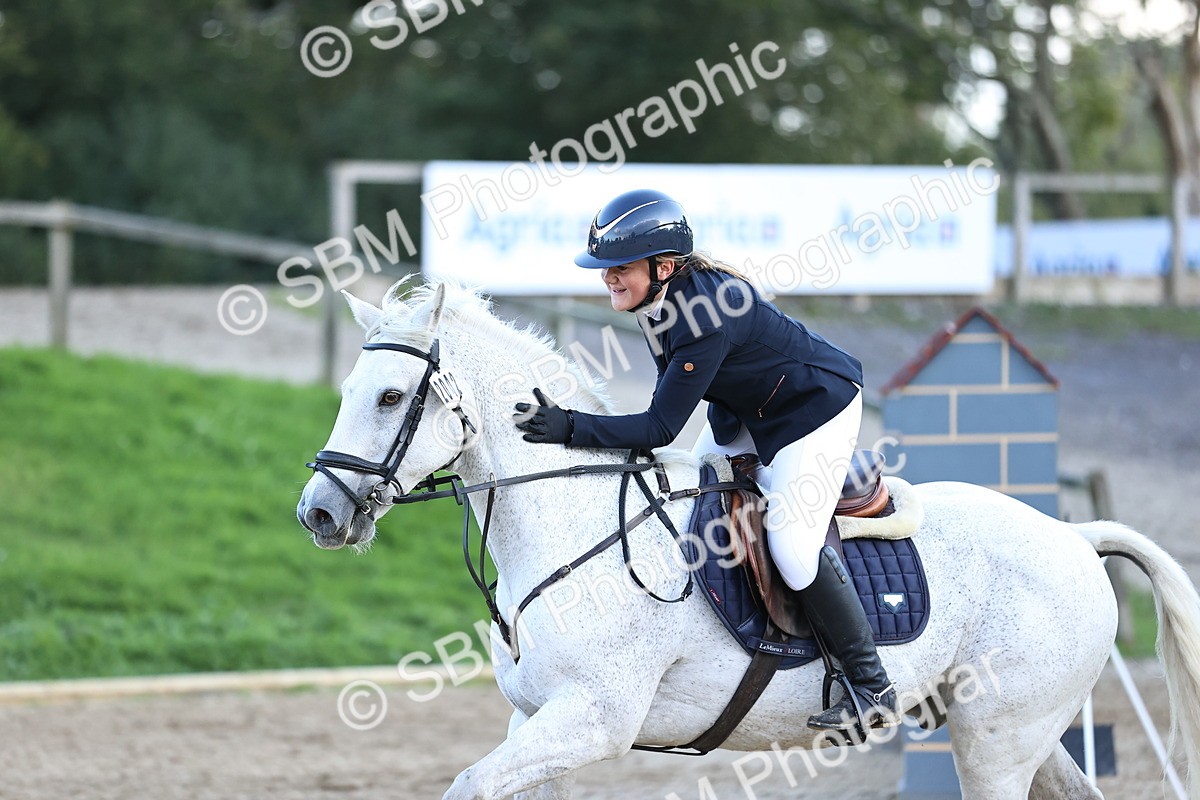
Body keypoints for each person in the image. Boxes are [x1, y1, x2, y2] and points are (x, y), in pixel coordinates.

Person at [513, 189, 898, 731]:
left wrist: (570, 426)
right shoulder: (657, 300)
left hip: (813, 411)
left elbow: (658, 427)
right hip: (745, 412)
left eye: (620, 267)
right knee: (683, 497)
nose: (608, 279)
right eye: (604, 269)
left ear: (664, 265)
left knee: (791, 544)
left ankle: (871, 684)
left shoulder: (704, 312)